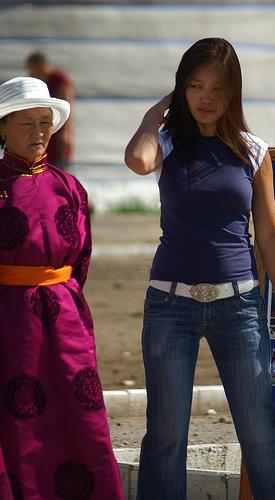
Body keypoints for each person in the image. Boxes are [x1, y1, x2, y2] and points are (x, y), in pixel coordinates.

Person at [125, 38, 275, 500]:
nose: (205, 98)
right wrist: (153, 115)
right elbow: (137, 161)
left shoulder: (252, 150)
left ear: (233, 93)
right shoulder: (165, 142)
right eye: (195, 86)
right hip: (169, 305)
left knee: (260, 431)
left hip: (238, 305)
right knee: (165, 436)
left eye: (217, 89)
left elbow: (269, 233)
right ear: (181, 89)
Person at [0, 76, 124, 499]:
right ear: (3, 128)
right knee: (20, 421)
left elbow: (81, 258)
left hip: (67, 319)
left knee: (81, 415)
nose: (38, 133)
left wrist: (62, 301)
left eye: (44, 122)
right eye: (26, 123)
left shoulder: (69, 187)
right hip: (10, 323)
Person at [25, 51, 74, 170]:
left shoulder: (60, 80)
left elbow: (67, 106)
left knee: (58, 165)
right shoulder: (42, 81)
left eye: (33, 69)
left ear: (41, 65)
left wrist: (66, 133)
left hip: (58, 128)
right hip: (45, 128)